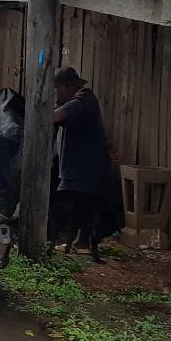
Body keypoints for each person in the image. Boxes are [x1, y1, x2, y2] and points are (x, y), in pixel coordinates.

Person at [52, 66, 111, 262]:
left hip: (85, 173)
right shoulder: (82, 100)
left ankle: (77, 243)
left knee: (65, 206)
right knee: (81, 209)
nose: (55, 94)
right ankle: (79, 242)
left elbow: (57, 116)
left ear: (67, 87)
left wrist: (42, 108)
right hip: (83, 171)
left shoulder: (82, 100)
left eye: (56, 89)